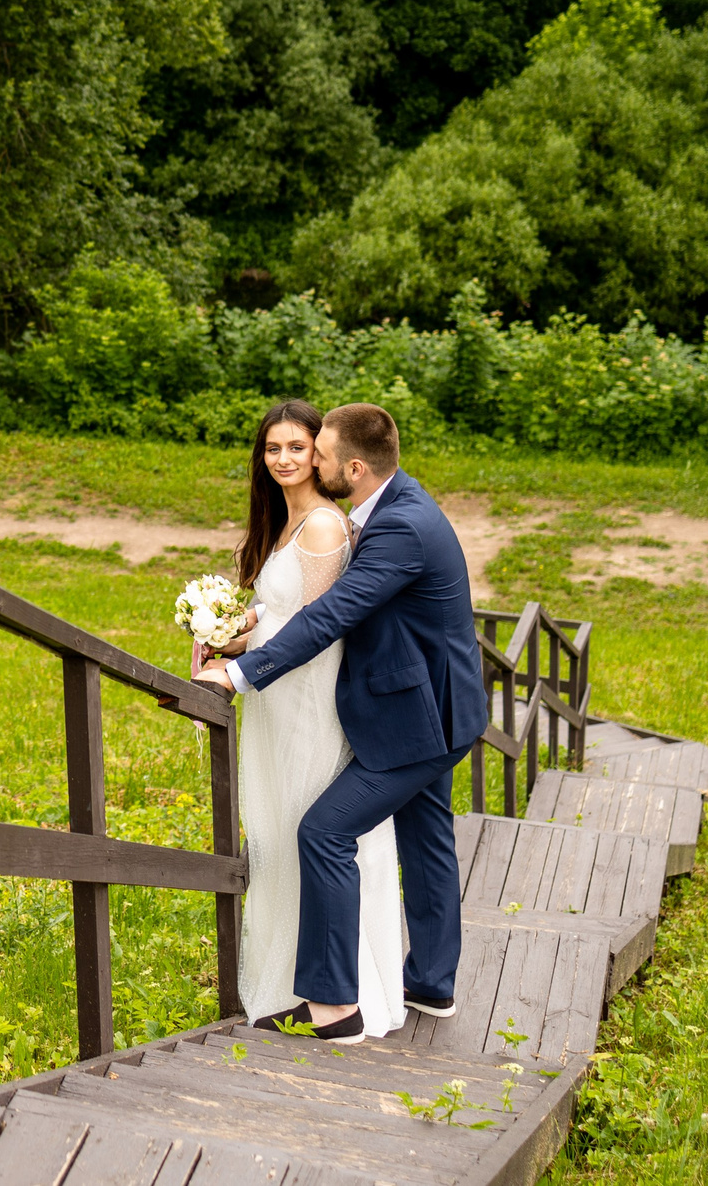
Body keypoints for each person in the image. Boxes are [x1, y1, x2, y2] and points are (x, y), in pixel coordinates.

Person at [195, 401, 484, 1040]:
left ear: (353, 467)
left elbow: (330, 617)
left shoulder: (400, 527)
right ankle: (432, 985)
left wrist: (238, 673)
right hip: (439, 706)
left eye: (318, 453)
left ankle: (335, 1009)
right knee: (428, 839)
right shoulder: (391, 505)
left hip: (421, 722)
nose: (308, 461)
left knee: (324, 830)